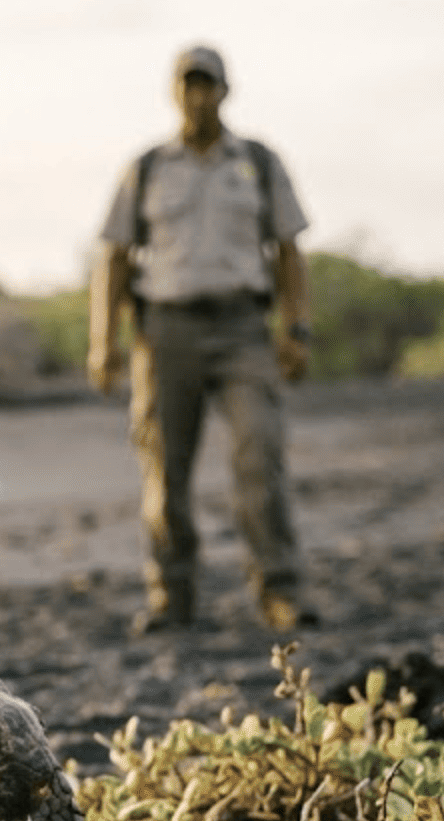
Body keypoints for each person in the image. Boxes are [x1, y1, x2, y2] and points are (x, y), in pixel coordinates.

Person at [87, 44, 318, 635]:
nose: (197, 95)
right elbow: (113, 255)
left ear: (225, 91)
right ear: (173, 93)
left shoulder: (259, 163)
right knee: (165, 471)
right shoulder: (147, 168)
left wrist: (296, 327)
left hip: (244, 327)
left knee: (260, 453)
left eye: (207, 84)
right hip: (166, 331)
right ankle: (173, 597)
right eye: (187, 85)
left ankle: (280, 591)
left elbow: (289, 251)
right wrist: (102, 341)